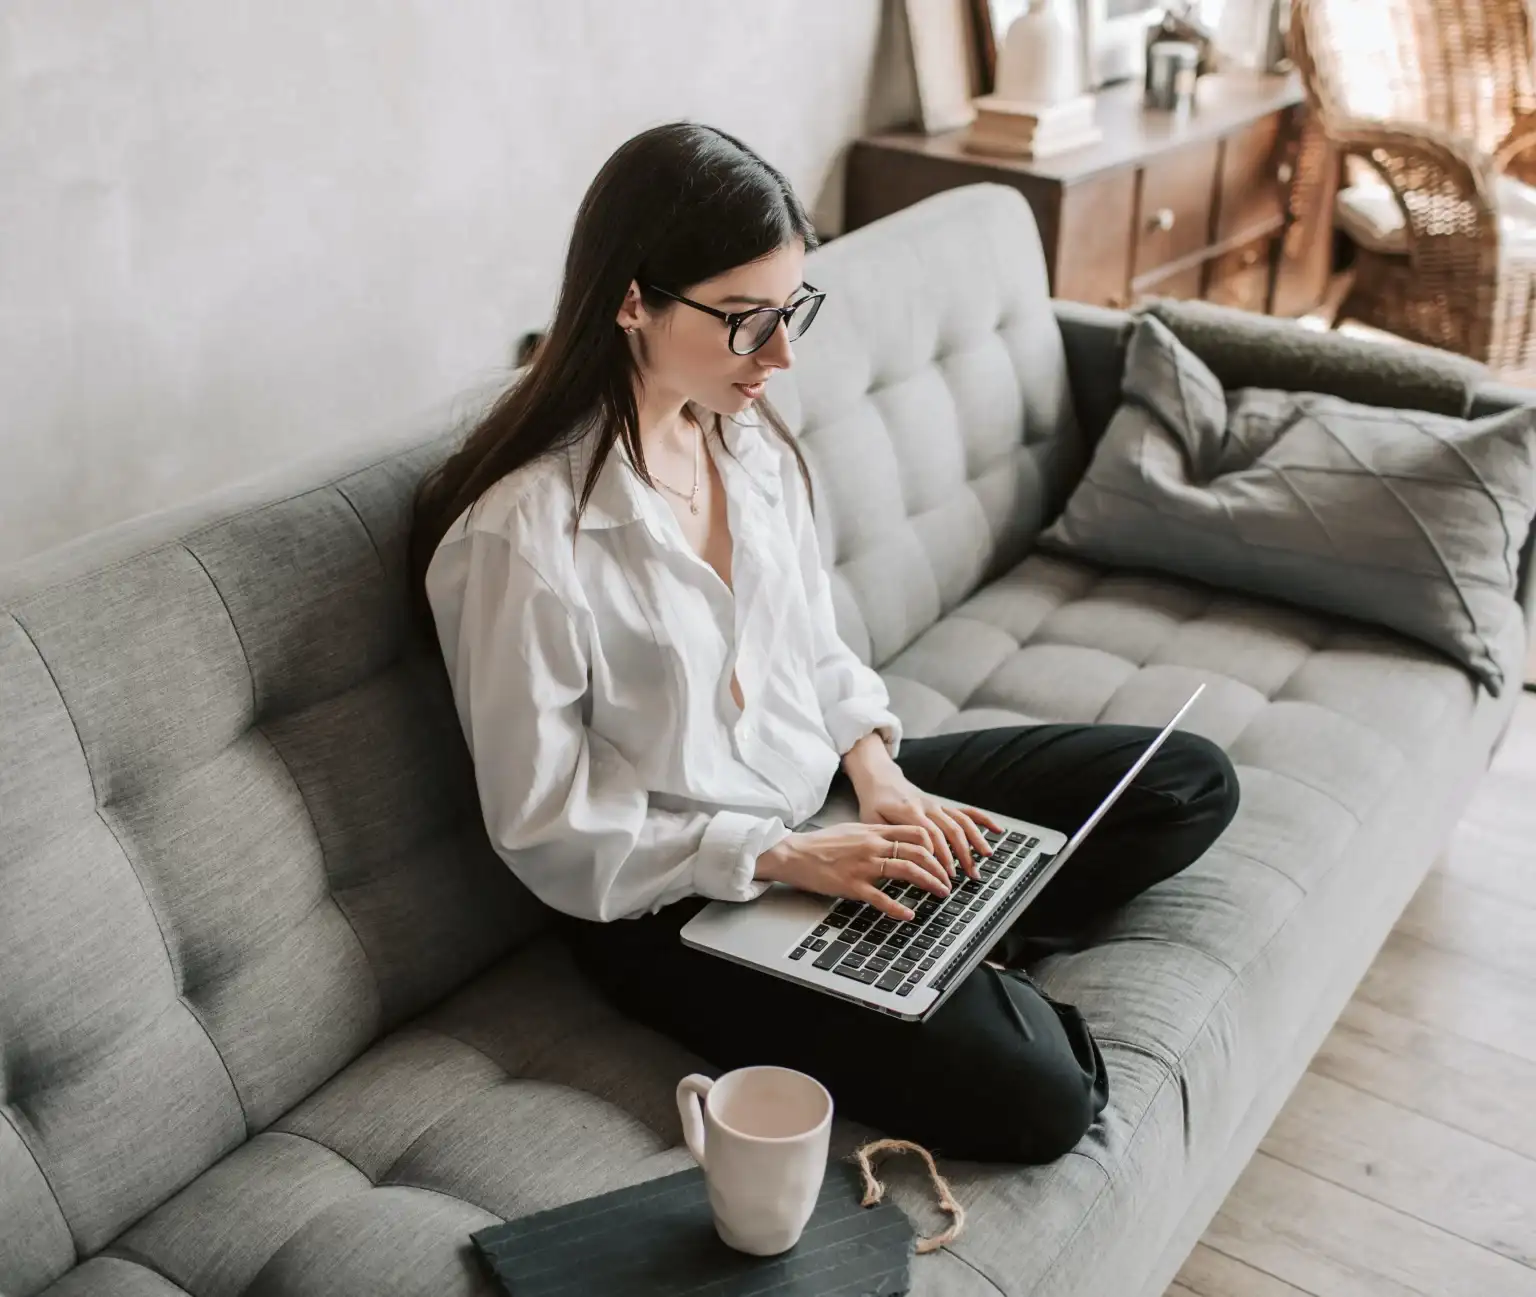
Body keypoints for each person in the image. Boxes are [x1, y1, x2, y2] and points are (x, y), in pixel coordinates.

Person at [409, 122, 1240, 1165]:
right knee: (1045, 1100)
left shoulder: (740, 436)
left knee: (1186, 782)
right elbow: (547, 826)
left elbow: (815, 646)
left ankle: (934, 934)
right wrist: (785, 858)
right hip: (678, 897)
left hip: (826, 802)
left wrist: (881, 776)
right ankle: (940, 950)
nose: (784, 354)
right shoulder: (520, 538)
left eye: (791, 310)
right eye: (749, 320)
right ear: (633, 301)